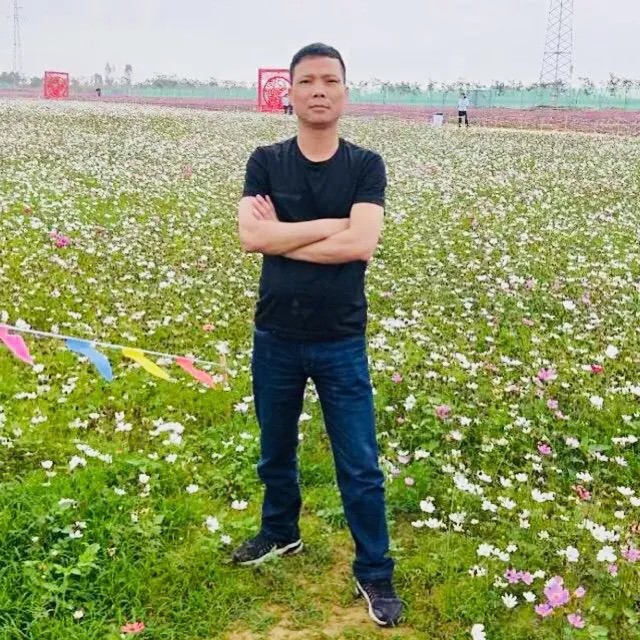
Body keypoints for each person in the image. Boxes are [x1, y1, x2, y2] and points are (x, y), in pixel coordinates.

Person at [233, 42, 403, 628]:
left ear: (345, 92)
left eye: (330, 80)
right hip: (275, 335)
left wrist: (285, 234)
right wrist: (332, 225)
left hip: (340, 339)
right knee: (274, 449)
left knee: (360, 463)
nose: (319, 91)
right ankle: (280, 531)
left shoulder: (365, 165)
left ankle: (374, 570)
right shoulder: (265, 161)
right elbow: (251, 239)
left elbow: (362, 244)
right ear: (291, 92)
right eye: (307, 81)